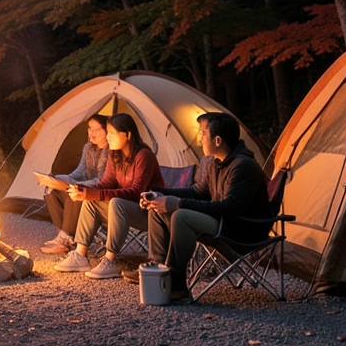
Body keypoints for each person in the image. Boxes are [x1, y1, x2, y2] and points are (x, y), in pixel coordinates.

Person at [128, 111, 270, 303]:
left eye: (203, 133)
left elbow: (230, 207)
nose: (200, 138)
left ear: (217, 140)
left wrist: (177, 204)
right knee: (157, 209)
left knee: (182, 216)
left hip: (241, 229)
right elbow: (198, 192)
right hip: (223, 221)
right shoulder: (214, 163)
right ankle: (158, 272)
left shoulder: (243, 166)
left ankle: (177, 285)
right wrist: (159, 194)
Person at [52, 113, 164, 280]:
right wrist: (84, 191)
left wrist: (96, 193)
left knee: (116, 202)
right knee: (91, 201)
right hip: (126, 211)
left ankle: (110, 260)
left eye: (111, 133)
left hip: (149, 213)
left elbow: (136, 192)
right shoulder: (115, 154)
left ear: (127, 135)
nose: (108, 137)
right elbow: (106, 182)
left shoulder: (143, 156)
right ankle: (80, 255)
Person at [39, 114, 109, 254]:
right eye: (90, 128)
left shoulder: (111, 152)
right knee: (52, 192)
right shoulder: (88, 147)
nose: (92, 133)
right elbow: (79, 171)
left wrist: (75, 184)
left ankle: (66, 239)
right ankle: (64, 236)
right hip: (86, 186)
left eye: (97, 129)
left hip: (100, 190)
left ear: (107, 132)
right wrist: (59, 179)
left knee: (75, 192)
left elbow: (101, 180)